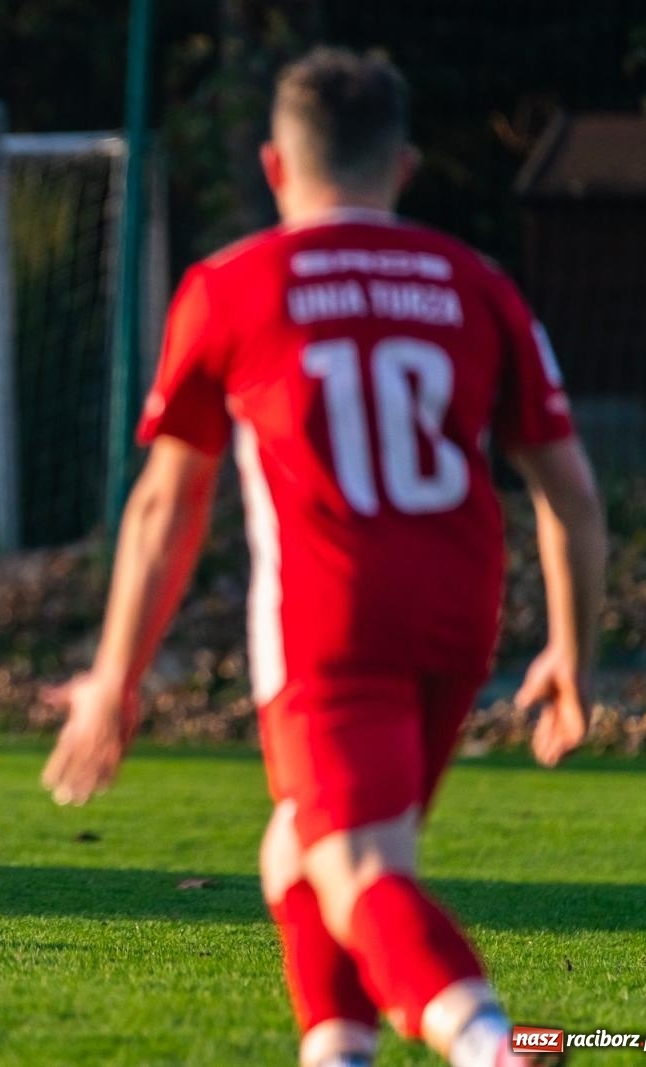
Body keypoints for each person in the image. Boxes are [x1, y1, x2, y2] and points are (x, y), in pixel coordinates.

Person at [41, 46, 605, 1067]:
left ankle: (497, 1041)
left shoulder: (232, 285)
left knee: (353, 865)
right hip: (459, 616)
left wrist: (113, 680)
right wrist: (571, 649)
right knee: (296, 856)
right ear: (403, 167)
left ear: (272, 167)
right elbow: (568, 492)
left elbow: (167, 501)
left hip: (329, 617)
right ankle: (337, 1048)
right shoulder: (475, 284)